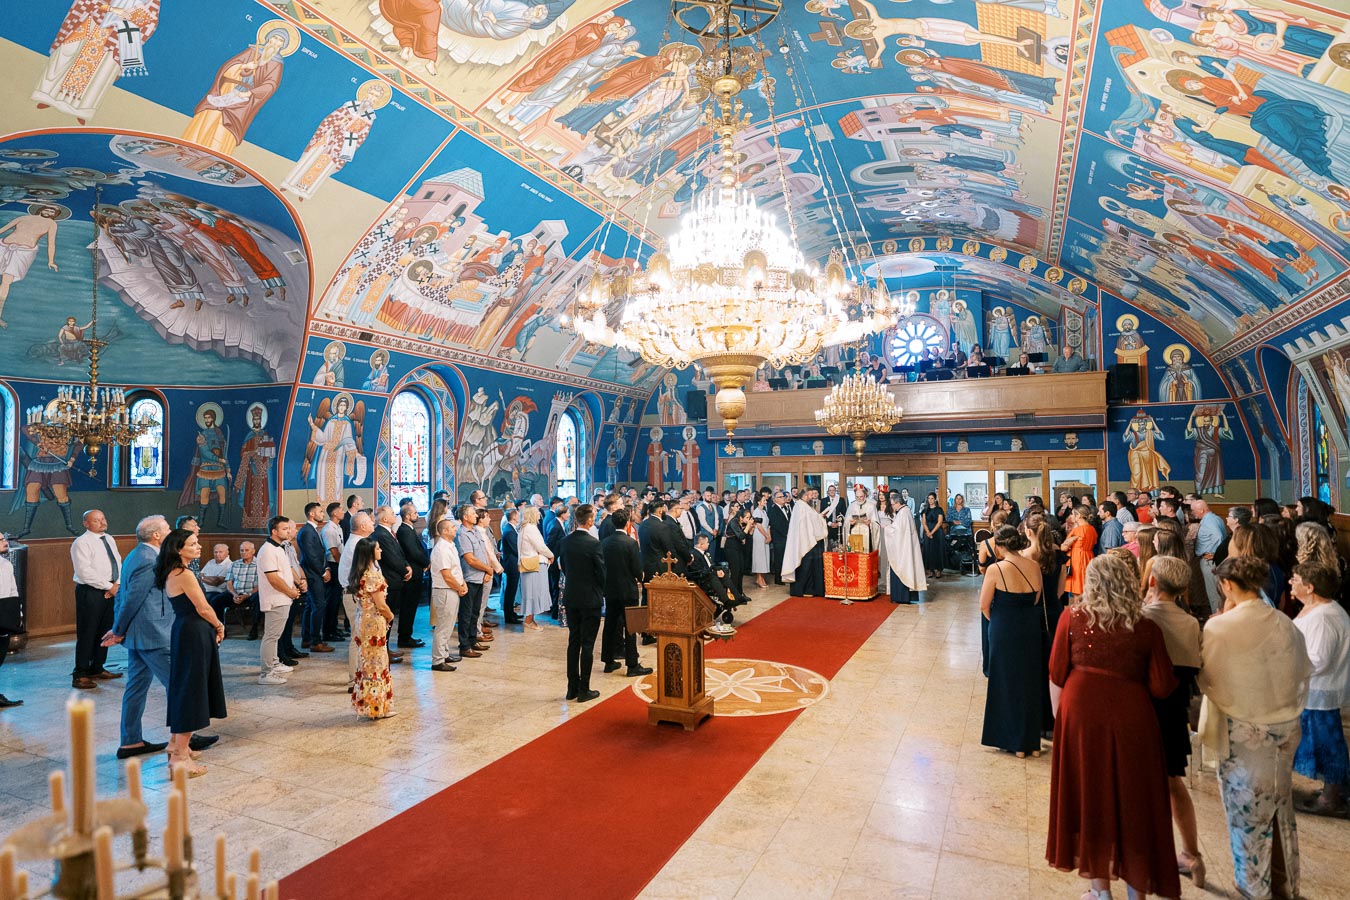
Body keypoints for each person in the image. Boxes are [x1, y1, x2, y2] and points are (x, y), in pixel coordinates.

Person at [1047, 555, 1181, 900]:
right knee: (1133, 802)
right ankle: (1137, 891)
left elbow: (1057, 671)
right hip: (1131, 716)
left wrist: (1060, 718)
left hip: (1081, 712)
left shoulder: (1072, 617)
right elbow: (1162, 685)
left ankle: (1100, 890)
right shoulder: (1146, 627)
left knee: (1090, 797)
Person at [1199, 556, 1311, 900]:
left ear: (1227, 585)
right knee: (1279, 805)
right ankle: (1281, 880)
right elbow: (1300, 669)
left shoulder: (1221, 627)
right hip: (1286, 725)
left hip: (1247, 731)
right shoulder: (1284, 622)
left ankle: (1253, 886)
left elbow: (1209, 679)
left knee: (1246, 812)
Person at [1141, 556, 1206, 888]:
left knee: (1139, 786)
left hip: (1146, 707)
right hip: (1175, 708)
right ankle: (1191, 853)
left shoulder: (1144, 618)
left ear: (1152, 582)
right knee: (1173, 783)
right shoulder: (1192, 623)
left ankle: (1144, 855)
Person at [156, 528, 227, 777]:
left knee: (184, 686)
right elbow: (203, 607)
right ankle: (179, 758)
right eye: (193, 544)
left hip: (186, 630)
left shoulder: (175, 571)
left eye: (198, 543)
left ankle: (176, 745)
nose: (198, 547)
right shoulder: (183, 574)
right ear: (178, 549)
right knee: (191, 691)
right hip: (194, 631)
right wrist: (219, 625)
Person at [101, 516, 172, 759]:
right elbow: (132, 598)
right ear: (156, 536)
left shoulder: (136, 554)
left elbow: (125, 594)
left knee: (136, 688)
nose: (170, 531)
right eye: (167, 529)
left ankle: (131, 741)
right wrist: (118, 630)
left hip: (140, 634)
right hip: (151, 634)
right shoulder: (148, 559)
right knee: (178, 685)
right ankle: (185, 740)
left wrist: (119, 628)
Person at [1290, 563, 1350, 818]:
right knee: (1320, 743)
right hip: (1311, 691)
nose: (1291, 582)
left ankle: (1332, 797)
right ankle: (1333, 789)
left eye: (1295, 579)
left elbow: (1320, 659)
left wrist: (1288, 665)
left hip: (1319, 692)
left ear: (1310, 587)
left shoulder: (1324, 616)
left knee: (1327, 745)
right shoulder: (1316, 610)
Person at [980, 526, 1044, 757]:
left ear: (999, 546)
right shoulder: (1034, 565)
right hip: (1029, 627)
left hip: (1004, 628)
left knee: (1005, 683)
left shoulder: (996, 569)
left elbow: (984, 605)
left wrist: (998, 620)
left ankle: (1012, 740)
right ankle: (1031, 741)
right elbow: (1036, 598)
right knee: (1029, 682)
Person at [70, 509, 122, 690]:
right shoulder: (81, 543)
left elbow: (118, 563)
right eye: (97, 520)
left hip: (111, 590)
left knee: (105, 631)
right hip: (90, 592)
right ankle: (81, 673)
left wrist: (116, 585)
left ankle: (97, 667)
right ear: (86, 523)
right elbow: (85, 572)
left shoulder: (109, 539)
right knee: (87, 632)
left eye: (103, 518)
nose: (102, 522)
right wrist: (109, 587)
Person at [560, 504, 605, 703]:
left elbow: (564, 567)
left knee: (573, 642)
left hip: (571, 596)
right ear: (589, 521)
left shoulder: (566, 541)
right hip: (590, 598)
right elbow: (601, 573)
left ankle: (572, 688)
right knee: (587, 644)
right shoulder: (593, 544)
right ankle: (584, 689)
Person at [349, 537, 395, 719]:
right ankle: (376, 706)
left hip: (363, 620)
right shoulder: (372, 576)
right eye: (378, 548)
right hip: (374, 621)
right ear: (370, 553)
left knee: (368, 663)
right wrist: (390, 616)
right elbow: (381, 605)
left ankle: (372, 704)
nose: (381, 550)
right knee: (377, 663)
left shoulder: (360, 573)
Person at [600, 510, 649, 676]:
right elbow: (636, 568)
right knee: (631, 627)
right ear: (627, 522)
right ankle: (632, 665)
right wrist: (640, 576)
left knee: (610, 626)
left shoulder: (604, 542)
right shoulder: (630, 543)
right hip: (628, 590)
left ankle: (608, 661)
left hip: (611, 589)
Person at [257, 516, 302, 685]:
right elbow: (273, 578)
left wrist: (293, 587)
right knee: (271, 636)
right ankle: (266, 673)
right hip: (275, 598)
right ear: (274, 531)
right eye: (284, 529)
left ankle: (275, 663)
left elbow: (285, 571)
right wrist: (290, 591)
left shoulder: (279, 548)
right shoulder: (268, 550)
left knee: (275, 636)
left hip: (283, 598)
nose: (288, 531)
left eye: (288, 528)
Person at [371, 506, 413, 648]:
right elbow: (391, 558)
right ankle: (384, 648)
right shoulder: (381, 534)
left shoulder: (388, 532)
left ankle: (386, 647)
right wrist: (404, 570)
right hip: (390, 578)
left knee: (391, 615)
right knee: (386, 616)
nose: (395, 516)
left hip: (396, 578)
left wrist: (407, 565)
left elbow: (399, 553)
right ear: (384, 518)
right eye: (392, 514)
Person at [428, 517, 467, 673]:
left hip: (452, 588)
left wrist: (462, 583)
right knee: (443, 626)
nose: (455, 528)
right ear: (444, 531)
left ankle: (444, 654)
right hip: (445, 590)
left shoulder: (450, 545)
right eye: (452, 527)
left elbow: (455, 569)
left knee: (449, 624)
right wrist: (459, 587)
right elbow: (446, 574)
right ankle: (437, 660)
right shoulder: (441, 548)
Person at [455, 505, 494, 658]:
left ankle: (473, 640)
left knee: (475, 612)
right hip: (470, 578)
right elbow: (470, 559)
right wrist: (487, 569)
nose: (475, 516)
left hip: (481, 576)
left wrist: (487, 569)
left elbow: (484, 552)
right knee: (466, 614)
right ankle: (464, 646)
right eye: (472, 514)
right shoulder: (462, 534)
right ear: (465, 517)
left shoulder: (476, 531)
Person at [297, 503, 334, 654]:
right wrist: (322, 572)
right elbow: (311, 556)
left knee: (311, 606)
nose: (323, 514)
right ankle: (315, 641)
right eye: (320, 511)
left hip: (315, 573)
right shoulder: (306, 531)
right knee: (318, 606)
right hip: (312, 574)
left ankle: (307, 638)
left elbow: (319, 552)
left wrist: (326, 568)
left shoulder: (312, 530)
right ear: (312, 513)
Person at [782, 488, 827, 597]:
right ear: (805, 496)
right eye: (811, 494)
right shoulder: (800, 506)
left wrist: (819, 517)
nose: (813, 497)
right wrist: (819, 518)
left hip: (810, 540)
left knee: (812, 566)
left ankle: (812, 589)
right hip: (804, 540)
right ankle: (803, 589)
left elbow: (812, 520)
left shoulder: (806, 506)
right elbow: (806, 522)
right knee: (805, 566)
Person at [883, 492, 926, 604]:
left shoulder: (903, 513)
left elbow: (898, 531)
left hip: (902, 549)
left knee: (901, 568)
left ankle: (901, 597)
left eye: (892, 504)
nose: (892, 506)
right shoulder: (904, 511)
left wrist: (887, 528)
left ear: (898, 503)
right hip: (904, 546)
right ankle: (901, 596)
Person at [517, 507, 553, 632]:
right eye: (537, 513)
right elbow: (541, 547)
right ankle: (528, 621)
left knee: (532, 593)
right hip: (534, 565)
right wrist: (551, 555)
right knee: (533, 593)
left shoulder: (524, 527)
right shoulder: (531, 528)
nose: (539, 515)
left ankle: (530, 619)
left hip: (529, 564)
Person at [1060, 505, 1097, 602]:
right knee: (1086, 587)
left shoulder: (1077, 530)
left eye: (1072, 514)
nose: (1071, 516)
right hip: (1088, 557)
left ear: (1079, 516)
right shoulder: (1092, 529)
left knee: (1077, 589)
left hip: (1077, 559)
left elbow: (1063, 548)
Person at [0, 533, 18, 708]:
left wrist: (16, 612)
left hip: (4, 612)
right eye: (1, 540)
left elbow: (13, 589)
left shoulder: (6, 564)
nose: (5, 542)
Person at [199, 543, 234, 628]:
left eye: (220, 552)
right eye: (215, 552)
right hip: (203, 590)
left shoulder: (229, 564)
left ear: (227, 553)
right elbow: (200, 575)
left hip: (218, 592)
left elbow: (216, 582)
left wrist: (203, 578)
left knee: (209, 600)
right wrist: (207, 578)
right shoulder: (210, 562)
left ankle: (216, 627)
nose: (217, 554)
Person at [724, 509, 752, 604]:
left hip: (738, 548)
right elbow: (741, 536)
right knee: (735, 572)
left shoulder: (741, 523)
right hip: (731, 549)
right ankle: (734, 595)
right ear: (741, 517)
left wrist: (750, 528)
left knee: (741, 571)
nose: (749, 519)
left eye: (749, 517)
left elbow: (746, 536)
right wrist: (748, 526)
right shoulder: (733, 522)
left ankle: (740, 593)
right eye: (747, 518)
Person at [499, 508, 521, 625]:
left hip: (513, 562)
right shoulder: (509, 531)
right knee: (510, 590)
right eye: (518, 515)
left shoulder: (511, 529)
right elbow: (515, 548)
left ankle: (511, 613)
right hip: (511, 564)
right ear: (514, 517)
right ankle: (509, 616)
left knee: (512, 590)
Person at [767, 491, 791, 585]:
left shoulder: (785, 508)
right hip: (779, 537)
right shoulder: (773, 509)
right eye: (781, 497)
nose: (783, 498)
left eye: (783, 496)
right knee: (779, 558)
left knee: (785, 558)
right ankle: (778, 578)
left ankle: (784, 576)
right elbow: (775, 524)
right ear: (775, 499)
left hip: (786, 537)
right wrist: (786, 533)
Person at [919, 492, 945, 579]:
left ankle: (939, 570)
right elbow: (924, 522)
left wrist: (932, 532)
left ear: (935, 499)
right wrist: (928, 532)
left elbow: (940, 522)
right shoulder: (925, 510)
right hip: (927, 532)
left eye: (932, 498)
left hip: (937, 533)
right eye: (929, 498)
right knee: (928, 550)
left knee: (938, 551)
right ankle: (930, 570)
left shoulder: (939, 509)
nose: (930, 500)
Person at [751, 494, 771, 589]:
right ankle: (759, 578)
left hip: (765, 535)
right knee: (759, 557)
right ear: (759, 501)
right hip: (759, 536)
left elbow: (767, 525)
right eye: (764, 500)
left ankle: (762, 577)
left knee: (765, 557)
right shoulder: (756, 512)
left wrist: (769, 535)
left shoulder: (764, 511)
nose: (765, 501)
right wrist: (766, 535)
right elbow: (759, 526)